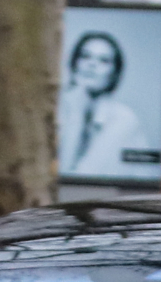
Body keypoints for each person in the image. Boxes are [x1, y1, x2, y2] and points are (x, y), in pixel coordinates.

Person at [58, 31, 146, 177]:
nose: (92, 64)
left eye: (103, 60)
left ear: (114, 73)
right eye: (85, 56)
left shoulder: (125, 120)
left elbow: (83, 176)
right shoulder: (53, 109)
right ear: (74, 63)